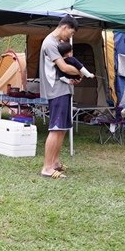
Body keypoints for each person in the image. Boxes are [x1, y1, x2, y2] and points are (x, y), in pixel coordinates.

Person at [39, 15, 82, 179]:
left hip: (64, 88)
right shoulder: (50, 43)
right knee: (56, 128)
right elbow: (64, 66)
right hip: (56, 90)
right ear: (64, 27)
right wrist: (81, 72)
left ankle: (55, 162)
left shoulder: (58, 44)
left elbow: (63, 70)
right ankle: (47, 167)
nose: (70, 38)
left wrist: (73, 77)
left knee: (62, 128)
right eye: (70, 34)